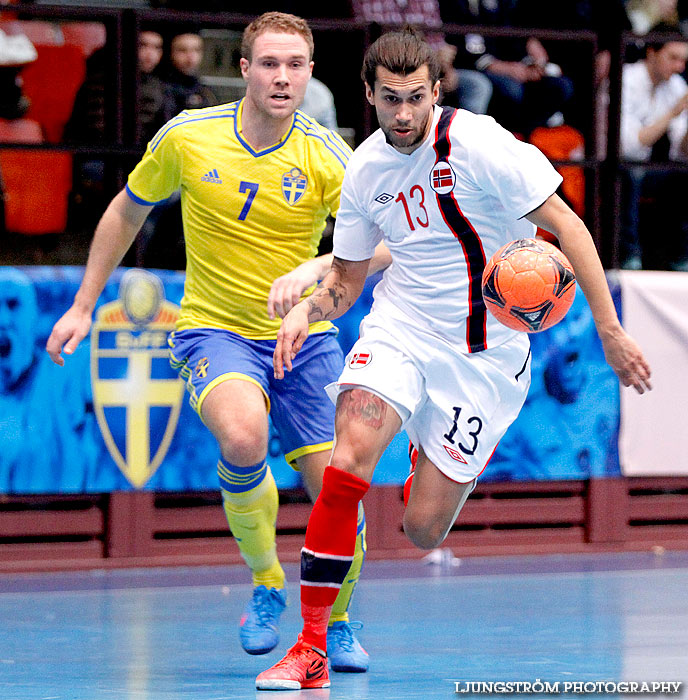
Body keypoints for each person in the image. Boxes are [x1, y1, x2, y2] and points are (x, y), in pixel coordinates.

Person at [257, 28, 652, 690]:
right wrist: (308, 308)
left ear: (437, 91)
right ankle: (311, 645)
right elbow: (348, 284)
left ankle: (426, 458)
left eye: (415, 98)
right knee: (347, 461)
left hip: (485, 361)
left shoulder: (482, 145)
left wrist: (609, 330)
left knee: (421, 530)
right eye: (390, 100)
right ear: (369, 95)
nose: (404, 114)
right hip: (401, 331)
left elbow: (570, 225)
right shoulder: (366, 170)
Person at [46, 12, 389, 673]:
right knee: (241, 437)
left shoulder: (330, 156)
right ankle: (265, 583)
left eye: (294, 64)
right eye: (268, 63)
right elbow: (127, 207)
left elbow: (377, 251)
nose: (281, 76)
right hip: (216, 328)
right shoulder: (189, 137)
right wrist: (85, 305)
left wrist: (313, 275)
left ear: (311, 72)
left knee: (338, 484)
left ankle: (336, 622)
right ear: (244, 69)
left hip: (306, 336)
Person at [620, 27, 688, 270]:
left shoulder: (677, 86)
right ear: (651, 52)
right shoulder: (626, 79)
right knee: (628, 173)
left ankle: (681, 259)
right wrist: (672, 113)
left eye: (683, 60)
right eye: (673, 58)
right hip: (614, 166)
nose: (680, 66)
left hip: (649, 168)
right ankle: (629, 259)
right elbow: (629, 146)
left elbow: (681, 152)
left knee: (683, 174)